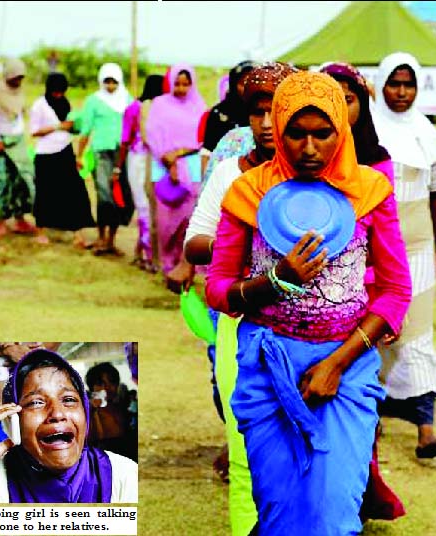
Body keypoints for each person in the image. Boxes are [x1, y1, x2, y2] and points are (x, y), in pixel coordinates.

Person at [205, 70, 411, 535]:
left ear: (344, 129)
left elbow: (396, 290)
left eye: (323, 133)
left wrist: (336, 365)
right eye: (296, 133)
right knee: (280, 511)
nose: (310, 147)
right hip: (268, 366)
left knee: (333, 511)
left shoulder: (371, 192)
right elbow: (217, 288)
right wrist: (274, 282)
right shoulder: (248, 193)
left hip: (348, 365)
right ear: (277, 130)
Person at [184, 61, 295, 536]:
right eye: (257, 111)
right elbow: (194, 242)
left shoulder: (324, 173)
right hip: (241, 323)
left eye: (277, 110)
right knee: (245, 443)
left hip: (310, 331)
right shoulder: (231, 172)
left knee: (302, 448)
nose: (267, 123)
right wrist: (247, 240)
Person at [320, 60, 406, 522]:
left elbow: (385, 245)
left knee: (357, 403)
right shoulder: (301, 162)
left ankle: (357, 495)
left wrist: (389, 308)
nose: (338, 110)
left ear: (360, 105)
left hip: (365, 299)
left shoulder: (376, 161)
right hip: (306, 304)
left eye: (347, 100)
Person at [372, 52, 436, 460]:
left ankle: (427, 431)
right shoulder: (365, 132)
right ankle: (370, 420)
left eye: (408, 84)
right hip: (376, 250)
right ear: (381, 83)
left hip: (419, 248)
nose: (401, 92)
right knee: (375, 331)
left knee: (418, 333)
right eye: (394, 83)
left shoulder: (427, 134)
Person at [0, 348, 138, 503]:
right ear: (13, 419)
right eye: (36, 402)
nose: (57, 414)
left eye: (69, 400)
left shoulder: (123, 474)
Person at [145, 63, 207, 292]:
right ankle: (167, 266)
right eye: (177, 84)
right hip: (162, 168)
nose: (181, 88)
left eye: (186, 84)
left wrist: (180, 154)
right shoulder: (160, 105)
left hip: (190, 168)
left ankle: (186, 267)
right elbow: (151, 133)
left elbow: (202, 138)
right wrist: (167, 158)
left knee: (188, 221)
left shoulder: (200, 107)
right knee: (165, 223)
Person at [30, 72, 95, 246]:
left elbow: (71, 127)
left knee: (74, 192)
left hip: (65, 151)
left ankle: (78, 234)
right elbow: (34, 131)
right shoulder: (39, 105)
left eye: (61, 91)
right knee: (45, 193)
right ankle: (40, 231)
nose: (58, 95)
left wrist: (74, 127)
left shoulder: (66, 104)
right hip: (46, 154)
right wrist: (58, 126)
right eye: (55, 92)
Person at [76, 63, 133, 256]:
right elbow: (85, 130)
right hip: (100, 152)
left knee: (119, 196)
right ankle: (100, 237)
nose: (110, 86)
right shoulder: (93, 101)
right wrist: (79, 155)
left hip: (122, 154)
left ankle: (111, 240)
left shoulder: (127, 100)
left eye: (113, 81)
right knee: (103, 196)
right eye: (106, 81)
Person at [112, 74, 166, 270]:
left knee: (150, 207)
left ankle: (143, 252)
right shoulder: (135, 108)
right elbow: (126, 139)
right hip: (142, 158)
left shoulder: (160, 108)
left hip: (150, 159)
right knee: (144, 206)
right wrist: (118, 167)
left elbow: (124, 141)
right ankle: (148, 254)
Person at [0, 58, 38, 238]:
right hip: (1, 143)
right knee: (5, 182)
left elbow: (23, 113)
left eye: (21, 77)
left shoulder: (20, 91)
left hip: (18, 140)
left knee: (22, 181)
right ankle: (1, 220)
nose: (18, 81)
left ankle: (20, 218)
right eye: (15, 77)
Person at [200, 60, 256, 175]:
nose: (247, 88)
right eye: (242, 83)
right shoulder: (219, 113)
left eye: (251, 83)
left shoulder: (263, 112)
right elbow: (207, 152)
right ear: (233, 84)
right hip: (224, 178)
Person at [85, 362, 136, 462]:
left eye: (111, 382)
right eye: (100, 384)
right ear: (92, 388)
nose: (106, 388)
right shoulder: (85, 412)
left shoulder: (124, 410)